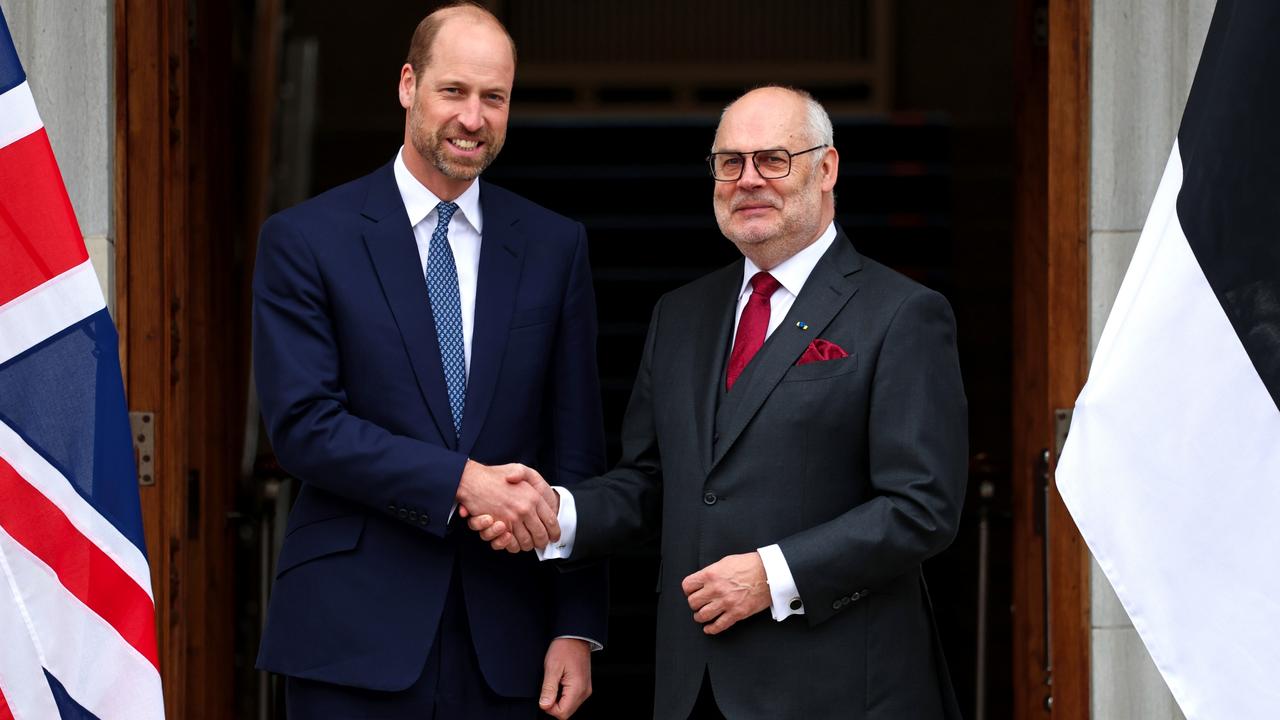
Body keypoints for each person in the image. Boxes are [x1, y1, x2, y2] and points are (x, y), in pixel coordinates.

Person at [472, 86, 968, 719]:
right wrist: (554, 512)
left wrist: (773, 574)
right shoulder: (680, 315)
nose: (748, 180)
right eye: (730, 162)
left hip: (843, 692)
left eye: (773, 160)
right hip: (695, 687)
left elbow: (922, 507)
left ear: (828, 168)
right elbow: (652, 482)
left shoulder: (902, 313)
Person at [252, 3, 606, 718]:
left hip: (508, 642)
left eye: (494, 97)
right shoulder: (305, 239)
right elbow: (305, 427)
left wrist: (576, 625)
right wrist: (462, 483)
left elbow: (577, 448)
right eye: (454, 91)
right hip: (350, 635)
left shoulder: (553, 246)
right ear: (409, 85)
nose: (473, 117)